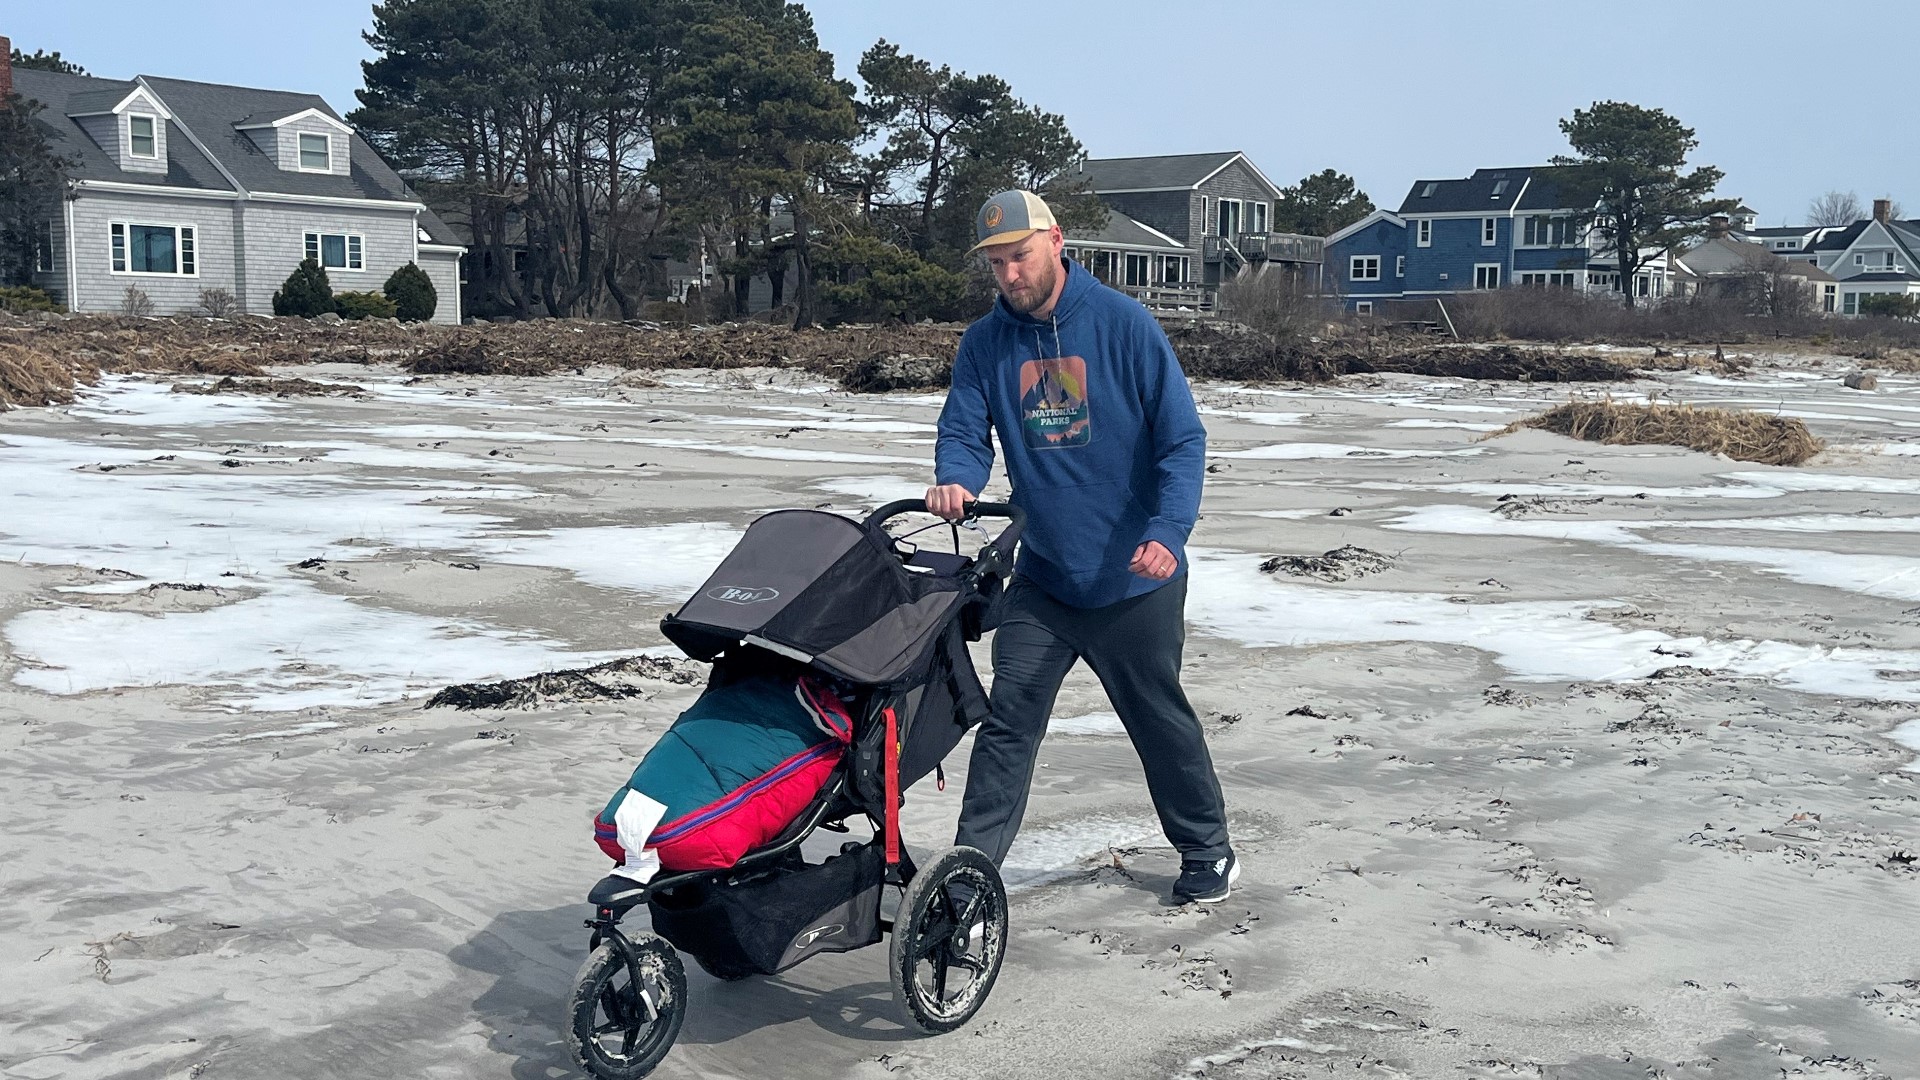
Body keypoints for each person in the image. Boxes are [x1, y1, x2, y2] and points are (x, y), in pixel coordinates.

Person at [926, 189, 1237, 904]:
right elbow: (965, 431)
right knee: (1008, 725)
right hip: (1044, 577)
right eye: (997, 264)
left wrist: (1167, 532)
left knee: (1157, 721)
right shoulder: (985, 344)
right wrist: (956, 479)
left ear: (1057, 242)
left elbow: (1182, 440)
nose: (1009, 275)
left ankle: (1206, 850)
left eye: (1021, 257)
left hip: (1135, 578)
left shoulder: (1124, 325)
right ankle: (971, 877)